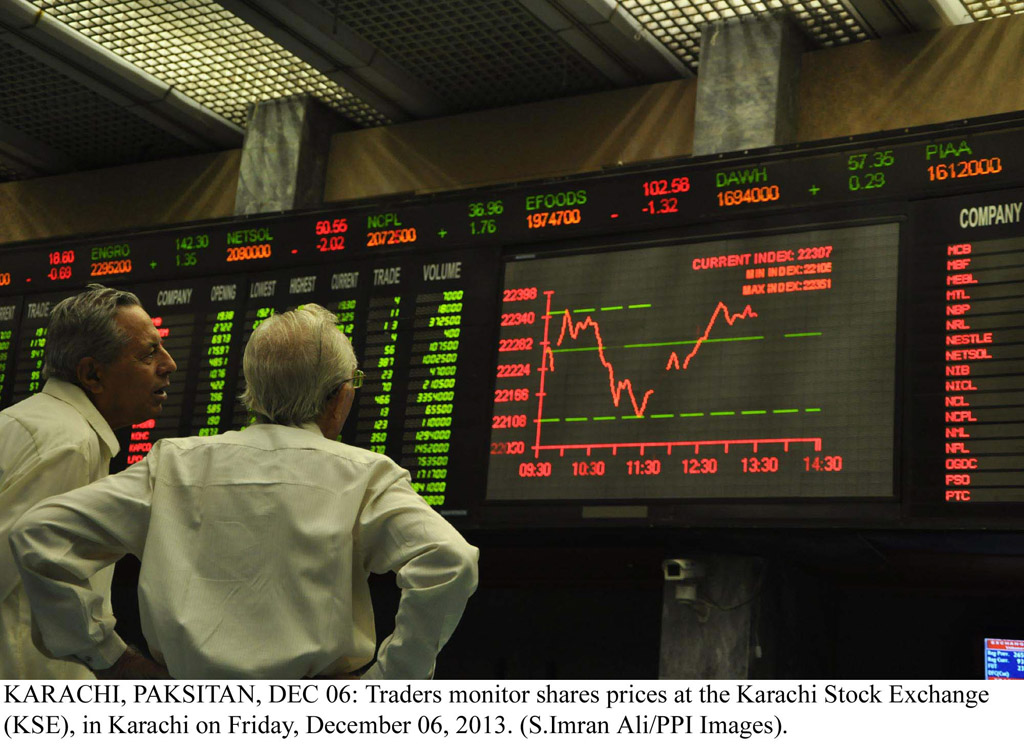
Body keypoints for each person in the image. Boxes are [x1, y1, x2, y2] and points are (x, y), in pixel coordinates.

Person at [11, 303, 479, 679]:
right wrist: (394, 680)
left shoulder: (172, 463)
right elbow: (449, 562)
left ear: (253, 390)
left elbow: (39, 534)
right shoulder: (365, 474)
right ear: (339, 396)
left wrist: (109, 655)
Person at [0, 284, 176, 678]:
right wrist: (116, 661)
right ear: (92, 374)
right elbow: (29, 568)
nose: (169, 363)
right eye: (149, 353)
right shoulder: (69, 444)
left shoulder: (32, 422)